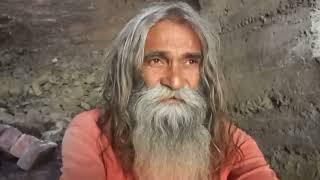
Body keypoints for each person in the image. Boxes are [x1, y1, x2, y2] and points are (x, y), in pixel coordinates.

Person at [59, 2, 278, 180]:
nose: (174, 81)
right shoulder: (91, 133)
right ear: (129, 69)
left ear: (204, 72)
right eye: (156, 60)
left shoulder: (229, 141)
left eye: (190, 61)